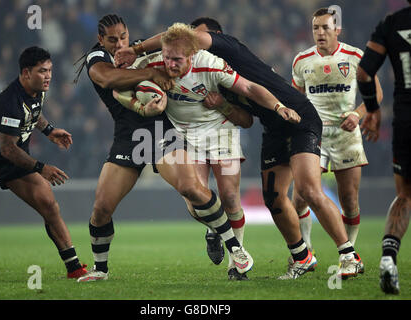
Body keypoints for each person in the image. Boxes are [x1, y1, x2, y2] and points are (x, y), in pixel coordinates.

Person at [115, 17, 363, 280]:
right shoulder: (214, 73)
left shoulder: (224, 47)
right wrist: (222, 106)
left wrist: (136, 48)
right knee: (274, 199)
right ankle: (302, 256)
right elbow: (245, 119)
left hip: (298, 117)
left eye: (196, 38)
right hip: (273, 128)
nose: (193, 44)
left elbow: (248, 85)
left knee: (308, 190)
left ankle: (349, 255)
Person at [73, 14, 253, 282]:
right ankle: (101, 269)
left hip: (160, 129)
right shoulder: (96, 58)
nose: (119, 42)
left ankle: (235, 249)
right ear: (101, 39)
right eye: (112, 39)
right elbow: (109, 80)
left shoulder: (137, 49)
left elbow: (176, 40)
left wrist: (140, 51)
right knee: (101, 209)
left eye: (123, 36)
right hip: (129, 136)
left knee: (190, 188)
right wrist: (150, 75)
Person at [0, 46, 87, 279]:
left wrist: (49, 131)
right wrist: (41, 168)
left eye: (50, 70)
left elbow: (34, 113)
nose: (48, 76)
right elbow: (7, 148)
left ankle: (75, 267)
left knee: (49, 204)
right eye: (42, 71)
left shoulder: (37, 90)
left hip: (15, 164)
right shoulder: (8, 102)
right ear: (26, 73)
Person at [291, 8, 383, 252]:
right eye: (315, 28)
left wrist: (357, 114)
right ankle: (306, 248)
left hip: (346, 135)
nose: (319, 33)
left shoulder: (355, 56)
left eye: (325, 27)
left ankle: (349, 252)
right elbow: (297, 101)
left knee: (349, 199)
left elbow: (377, 93)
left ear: (337, 29)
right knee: (300, 195)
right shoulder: (301, 60)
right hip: (314, 135)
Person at [357, 0, 411, 294]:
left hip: (405, 120)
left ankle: (389, 258)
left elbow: (364, 73)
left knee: (404, 194)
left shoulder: (392, 23)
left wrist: (373, 111)